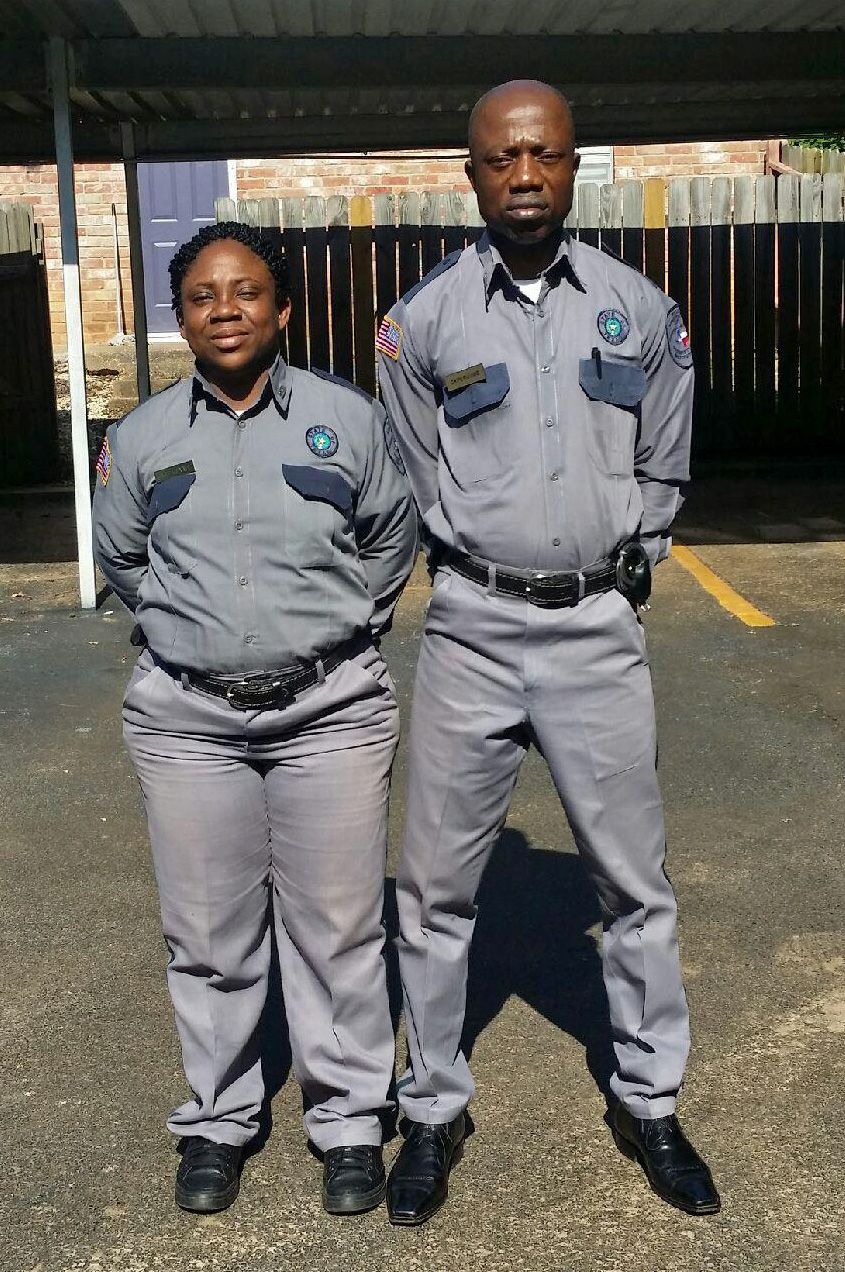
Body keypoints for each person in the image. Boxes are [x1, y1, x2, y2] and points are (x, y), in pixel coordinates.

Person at [377, 80, 720, 1226]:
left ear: (575, 166)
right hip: (471, 628)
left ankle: (649, 1100)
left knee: (632, 883)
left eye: (544, 156)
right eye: (498, 160)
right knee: (430, 894)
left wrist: (635, 555)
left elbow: (665, 448)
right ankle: (431, 1108)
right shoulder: (421, 321)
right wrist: (474, 558)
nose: (522, 176)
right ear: (467, 172)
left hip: (592, 631)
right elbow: (412, 472)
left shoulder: (638, 307)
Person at [93, 221, 416, 1216]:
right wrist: (190, 633)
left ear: (281, 308)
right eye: (200, 295)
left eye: (244, 292)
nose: (223, 309)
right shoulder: (142, 438)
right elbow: (123, 558)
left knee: (336, 928)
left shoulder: (345, 421)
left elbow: (387, 540)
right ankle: (220, 1120)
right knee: (208, 933)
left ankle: (349, 1120)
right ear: (179, 315)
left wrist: (320, 637)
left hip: (328, 712)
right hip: (188, 721)